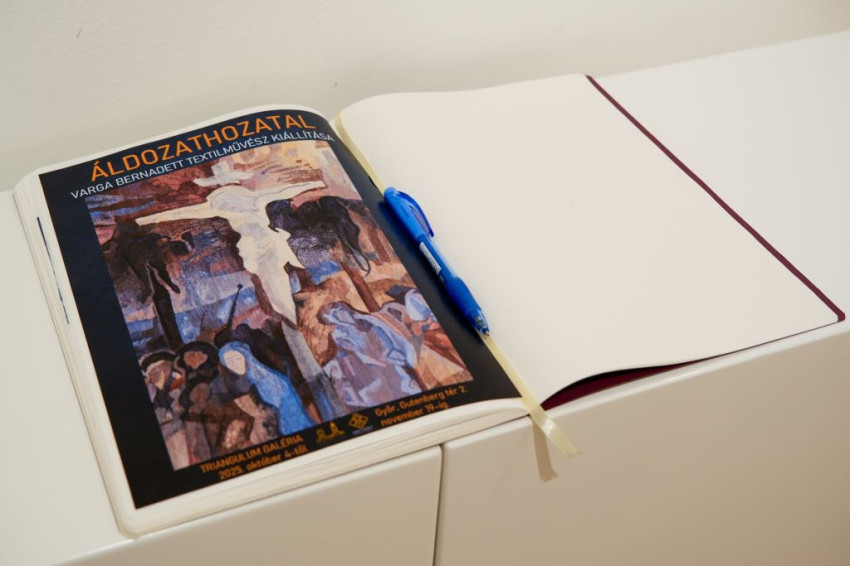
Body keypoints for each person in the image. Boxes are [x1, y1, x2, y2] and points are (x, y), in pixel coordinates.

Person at [219, 341, 316, 435]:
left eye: (237, 358)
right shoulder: (248, 378)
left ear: (245, 356)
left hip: (289, 413)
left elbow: (281, 399)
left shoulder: (263, 376)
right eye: (229, 362)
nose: (234, 364)